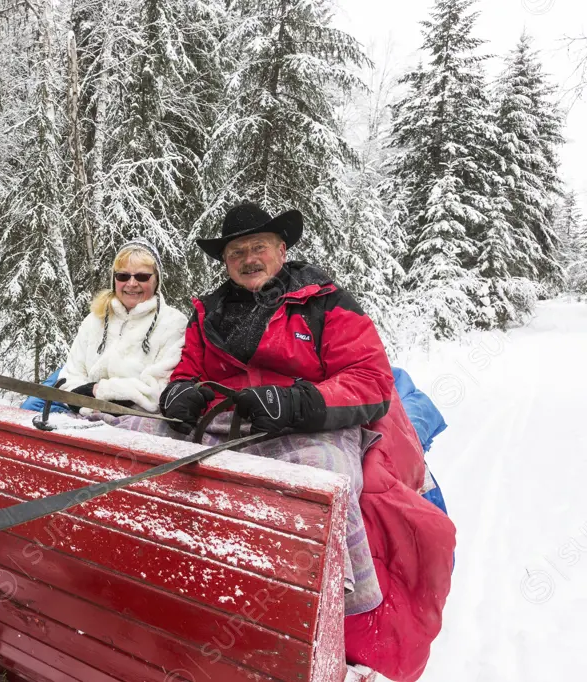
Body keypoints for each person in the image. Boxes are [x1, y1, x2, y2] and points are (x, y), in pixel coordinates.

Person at [158, 201, 456, 682]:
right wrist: (180, 391)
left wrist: (298, 402)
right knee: (136, 441)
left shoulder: (325, 302)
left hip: (312, 420)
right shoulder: (206, 313)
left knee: (320, 475)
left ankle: (330, 607)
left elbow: (370, 379)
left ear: (281, 250)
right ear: (225, 262)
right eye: (237, 252)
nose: (248, 258)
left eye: (258, 247)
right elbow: (188, 369)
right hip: (230, 421)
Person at [59, 239, 188, 416]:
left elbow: (158, 390)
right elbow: (69, 377)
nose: (132, 283)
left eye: (142, 277)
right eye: (123, 276)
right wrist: (86, 403)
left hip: (137, 423)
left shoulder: (173, 324)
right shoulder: (95, 319)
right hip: (81, 416)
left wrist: (98, 391)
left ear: (157, 280)